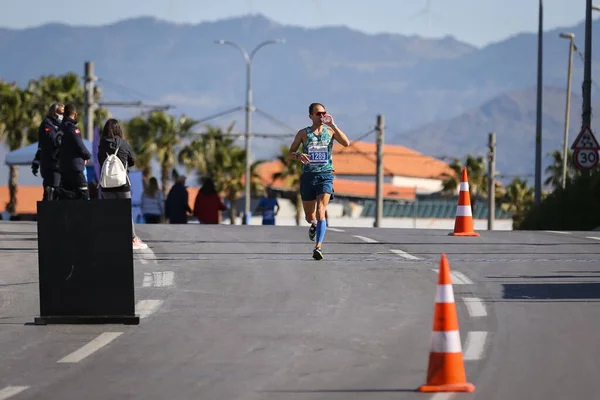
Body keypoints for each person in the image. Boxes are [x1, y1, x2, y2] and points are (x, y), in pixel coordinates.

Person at [287, 102, 350, 260]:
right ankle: (313, 223)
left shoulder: (330, 132)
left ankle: (318, 246)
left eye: (324, 113)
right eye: (318, 114)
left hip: (326, 175)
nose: (322, 116)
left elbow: (346, 143)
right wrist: (298, 155)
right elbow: (290, 152)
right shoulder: (303, 133)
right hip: (308, 176)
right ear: (310, 116)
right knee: (310, 215)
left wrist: (334, 125)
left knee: (322, 210)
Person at [98, 118, 147, 250]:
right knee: (126, 212)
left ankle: (109, 237)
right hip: (122, 183)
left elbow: (100, 160)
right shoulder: (125, 144)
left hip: (106, 185)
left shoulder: (102, 144)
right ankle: (132, 238)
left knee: (109, 212)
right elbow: (132, 161)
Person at [58, 103, 91, 200]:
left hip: (63, 167)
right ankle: (59, 193)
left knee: (69, 195)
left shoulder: (60, 129)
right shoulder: (72, 128)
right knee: (83, 193)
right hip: (75, 168)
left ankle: (61, 193)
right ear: (75, 114)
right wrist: (87, 156)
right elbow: (79, 145)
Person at [32, 103, 64, 201]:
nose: (64, 115)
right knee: (51, 191)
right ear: (54, 113)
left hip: (59, 165)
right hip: (51, 165)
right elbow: (53, 141)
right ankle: (47, 214)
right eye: (62, 112)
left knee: (58, 193)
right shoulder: (47, 124)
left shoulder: (60, 125)